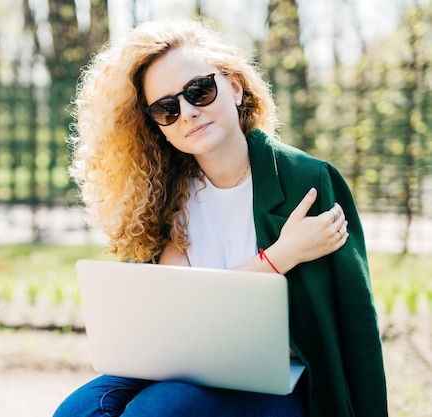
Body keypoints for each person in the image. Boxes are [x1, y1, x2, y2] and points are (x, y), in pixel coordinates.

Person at [54, 18, 387, 417]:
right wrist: (280, 257)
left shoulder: (307, 181)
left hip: (281, 379)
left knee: (162, 410)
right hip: (183, 364)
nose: (188, 112)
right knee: (79, 410)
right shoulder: (159, 199)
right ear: (156, 125)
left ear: (234, 85)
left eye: (199, 90)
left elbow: (356, 322)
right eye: (166, 108)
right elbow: (182, 315)